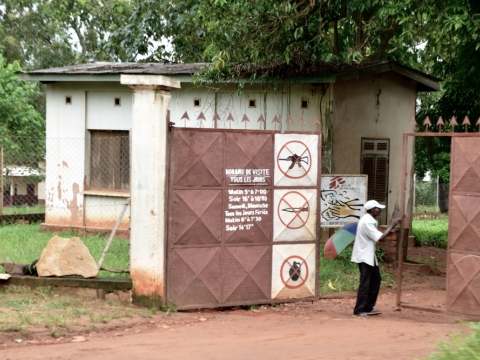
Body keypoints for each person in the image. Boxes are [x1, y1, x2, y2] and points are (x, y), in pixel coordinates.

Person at [351, 200, 401, 317]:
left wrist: (389, 231)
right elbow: (380, 238)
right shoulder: (367, 221)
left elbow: (377, 236)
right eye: (377, 208)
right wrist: (391, 225)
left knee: (376, 279)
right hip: (364, 256)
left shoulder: (370, 220)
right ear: (371, 210)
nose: (379, 210)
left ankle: (368, 306)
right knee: (365, 282)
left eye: (379, 208)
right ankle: (359, 309)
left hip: (369, 255)